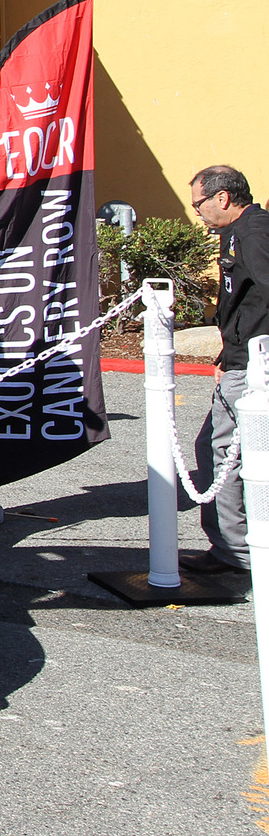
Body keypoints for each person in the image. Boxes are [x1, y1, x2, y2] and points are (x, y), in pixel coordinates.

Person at [183, 165, 269, 574]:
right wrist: (226, 353)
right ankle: (238, 545)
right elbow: (244, 302)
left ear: (223, 197)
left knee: (222, 453)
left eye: (199, 202)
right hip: (239, 360)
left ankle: (236, 552)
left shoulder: (254, 233)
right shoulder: (238, 232)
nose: (196, 211)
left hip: (253, 368)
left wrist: (251, 357)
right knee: (221, 450)